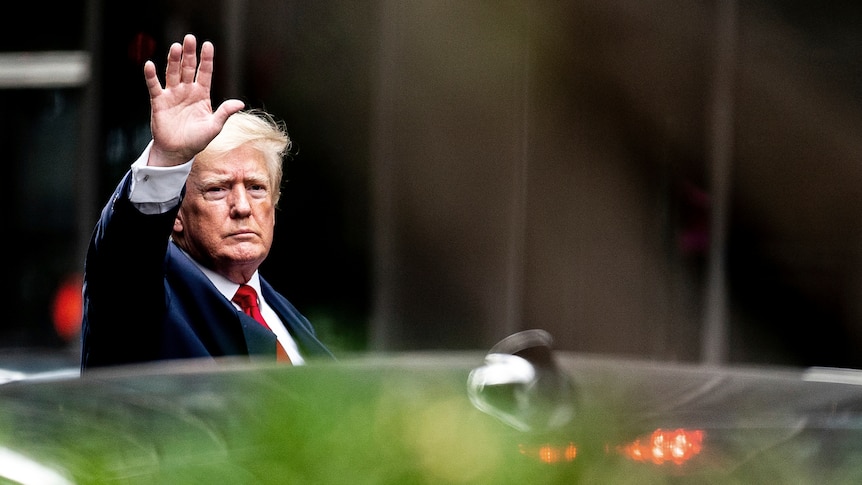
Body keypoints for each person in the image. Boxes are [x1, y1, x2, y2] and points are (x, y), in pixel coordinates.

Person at [80, 34, 334, 371]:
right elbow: (123, 259)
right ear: (176, 214)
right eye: (218, 189)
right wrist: (168, 159)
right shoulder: (146, 301)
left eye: (257, 188)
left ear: (274, 206)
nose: (242, 206)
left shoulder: (288, 317)